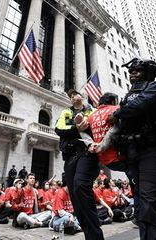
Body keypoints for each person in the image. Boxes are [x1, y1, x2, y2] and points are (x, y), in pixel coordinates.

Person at [110, 58, 156, 240]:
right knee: (151, 203)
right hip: (134, 152)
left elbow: (138, 106)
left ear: (150, 72)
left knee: (150, 203)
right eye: (132, 70)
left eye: (138, 70)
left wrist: (118, 112)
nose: (132, 72)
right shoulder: (129, 94)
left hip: (155, 150)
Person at [55, 89, 105, 240]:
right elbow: (59, 129)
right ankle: (90, 236)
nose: (72, 98)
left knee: (80, 185)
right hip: (70, 157)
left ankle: (96, 236)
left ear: (81, 97)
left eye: (74, 95)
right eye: (70, 96)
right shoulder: (66, 112)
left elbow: (100, 128)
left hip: (87, 153)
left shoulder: (93, 111)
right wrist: (75, 128)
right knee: (76, 196)